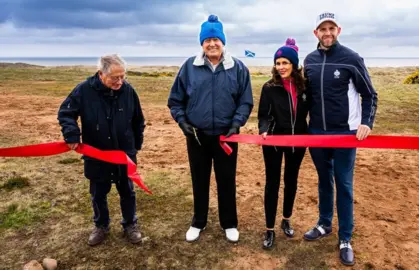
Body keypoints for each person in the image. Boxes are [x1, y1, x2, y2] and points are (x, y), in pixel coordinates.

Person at [167, 14, 254, 243]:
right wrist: (183, 122)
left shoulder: (237, 67)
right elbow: (175, 101)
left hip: (227, 137)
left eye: (216, 39)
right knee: (199, 179)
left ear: (223, 42)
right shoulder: (189, 67)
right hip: (197, 136)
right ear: (202, 43)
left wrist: (236, 124)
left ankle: (229, 223)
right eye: (208, 40)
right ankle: (198, 221)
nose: (212, 43)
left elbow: (245, 101)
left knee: (226, 180)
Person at [302, 12, 378, 266]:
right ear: (316, 33)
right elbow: (306, 97)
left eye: (331, 28)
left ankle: (345, 237)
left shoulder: (351, 59)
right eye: (322, 29)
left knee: (343, 184)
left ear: (338, 30)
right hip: (316, 134)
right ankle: (325, 223)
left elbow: (370, 95)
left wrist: (366, 122)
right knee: (324, 181)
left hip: (345, 134)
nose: (327, 32)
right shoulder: (309, 61)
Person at [57, 54, 146, 246]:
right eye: (115, 77)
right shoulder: (84, 90)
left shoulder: (129, 91)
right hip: (96, 154)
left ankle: (130, 224)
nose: (120, 81)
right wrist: (72, 134)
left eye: (123, 76)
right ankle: (101, 225)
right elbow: (66, 112)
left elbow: (139, 120)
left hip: (124, 154)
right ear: (101, 74)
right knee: (98, 193)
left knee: (128, 191)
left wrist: (135, 145)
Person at [257, 38, 309, 249]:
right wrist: (264, 129)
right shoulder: (269, 87)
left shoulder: (305, 87)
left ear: (294, 65)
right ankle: (269, 229)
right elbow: (263, 115)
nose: (281, 67)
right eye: (278, 63)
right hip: (274, 142)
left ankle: (286, 219)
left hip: (299, 141)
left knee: (291, 180)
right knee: (272, 183)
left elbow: (311, 111)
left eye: (285, 63)